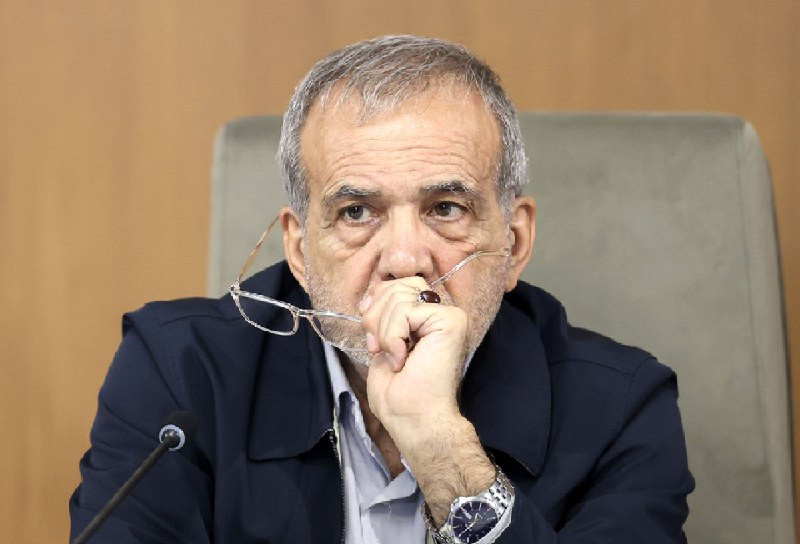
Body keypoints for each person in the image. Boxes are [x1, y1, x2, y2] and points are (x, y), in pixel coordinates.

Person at [70, 35, 693, 543]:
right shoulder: (176, 374)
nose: (403, 260)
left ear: (514, 242)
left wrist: (440, 445)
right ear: (299, 251)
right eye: (357, 213)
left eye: (446, 208)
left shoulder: (623, 409)